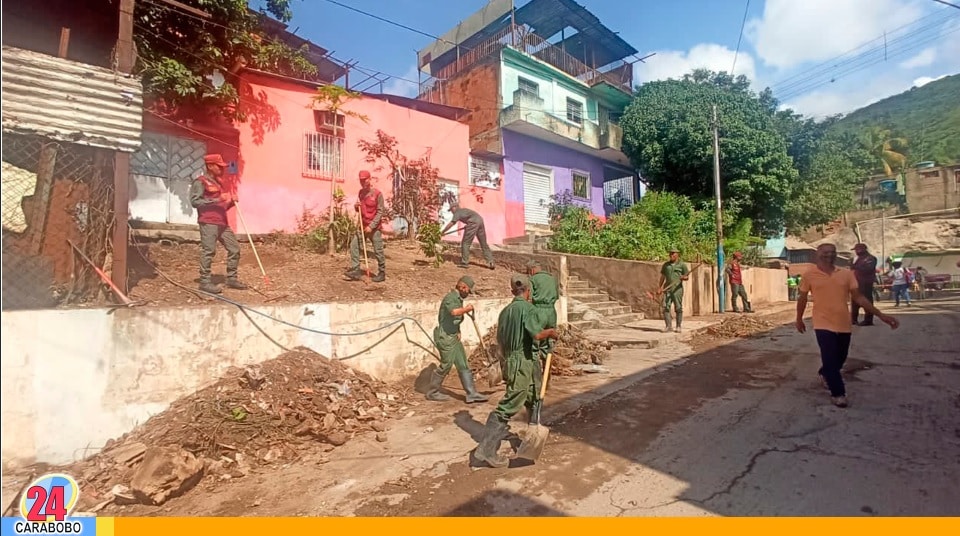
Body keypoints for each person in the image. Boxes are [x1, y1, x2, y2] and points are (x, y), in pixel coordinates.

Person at [796, 243, 899, 408]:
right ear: (817, 255)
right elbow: (802, 298)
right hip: (822, 322)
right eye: (825, 252)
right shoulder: (809, 275)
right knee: (829, 356)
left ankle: (825, 373)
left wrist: (881, 315)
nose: (829, 255)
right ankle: (838, 393)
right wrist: (799, 318)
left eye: (832, 252)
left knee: (840, 357)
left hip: (843, 322)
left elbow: (859, 297)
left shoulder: (846, 274)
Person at [474, 275, 558, 468]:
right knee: (510, 404)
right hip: (523, 361)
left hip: (511, 361)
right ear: (529, 291)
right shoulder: (529, 309)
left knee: (534, 395)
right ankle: (486, 450)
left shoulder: (505, 312)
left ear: (513, 291)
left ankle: (532, 436)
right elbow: (536, 334)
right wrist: (551, 333)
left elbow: (500, 342)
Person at [423, 276, 489, 404]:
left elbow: (454, 320)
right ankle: (432, 392)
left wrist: (458, 330)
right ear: (462, 287)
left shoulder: (458, 299)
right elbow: (453, 312)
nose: (468, 294)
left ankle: (471, 394)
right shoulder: (450, 298)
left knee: (462, 363)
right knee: (446, 364)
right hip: (445, 337)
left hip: (453, 336)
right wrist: (467, 309)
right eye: (468, 291)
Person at [189, 154, 248, 294]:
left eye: (223, 167)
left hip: (222, 222)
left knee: (234, 249)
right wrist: (218, 199)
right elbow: (195, 202)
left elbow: (221, 207)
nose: (222, 169)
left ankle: (232, 279)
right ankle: (204, 282)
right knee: (209, 251)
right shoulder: (200, 182)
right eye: (219, 166)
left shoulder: (218, 184)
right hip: (208, 222)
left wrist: (230, 202)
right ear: (210, 166)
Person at [526, 259, 559, 424]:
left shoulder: (532, 280)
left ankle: (536, 381)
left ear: (532, 270)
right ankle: (548, 379)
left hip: (538, 311)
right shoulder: (552, 278)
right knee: (549, 347)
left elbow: (528, 297)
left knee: (535, 344)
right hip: (551, 312)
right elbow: (557, 296)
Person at [346, 170, 386, 283]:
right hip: (362, 226)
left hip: (374, 228)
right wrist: (356, 206)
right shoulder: (361, 193)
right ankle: (355, 270)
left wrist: (372, 226)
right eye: (361, 180)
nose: (362, 182)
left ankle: (382, 273)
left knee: (378, 250)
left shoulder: (378, 194)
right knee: (354, 245)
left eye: (364, 179)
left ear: (369, 179)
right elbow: (359, 209)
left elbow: (380, 212)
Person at [441, 202, 495, 270]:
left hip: (473, 223)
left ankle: (465, 263)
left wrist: (443, 231)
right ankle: (491, 262)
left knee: (465, 243)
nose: (451, 212)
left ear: (454, 207)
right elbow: (471, 217)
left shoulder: (457, 212)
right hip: (480, 220)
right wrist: (468, 225)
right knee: (483, 244)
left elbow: (452, 223)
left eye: (451, 210)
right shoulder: (464, 210)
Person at [659, 248, 689, 333]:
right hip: (667, 289)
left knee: (678, 308)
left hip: (677, 289)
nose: (671, 255)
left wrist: (683, 277)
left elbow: (687, 277)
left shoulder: (682, 265)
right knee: (665, 307)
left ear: (677, 255)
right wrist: (660, 287)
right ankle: (668, 326)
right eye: (670, 254)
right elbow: (662, 277)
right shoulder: (666, 265)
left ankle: (678, 326)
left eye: (673, 254)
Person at [851, 243, 879, 326]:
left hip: (866, 283)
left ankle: (868, 320)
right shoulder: (859, 258)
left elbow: (868, 269)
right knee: (855, 301)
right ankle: (853, 319)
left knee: (866, 301)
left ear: (862, 249)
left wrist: (855, 267)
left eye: (857, 250)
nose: (856, 252)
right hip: (857, 283)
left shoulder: (870, 258)